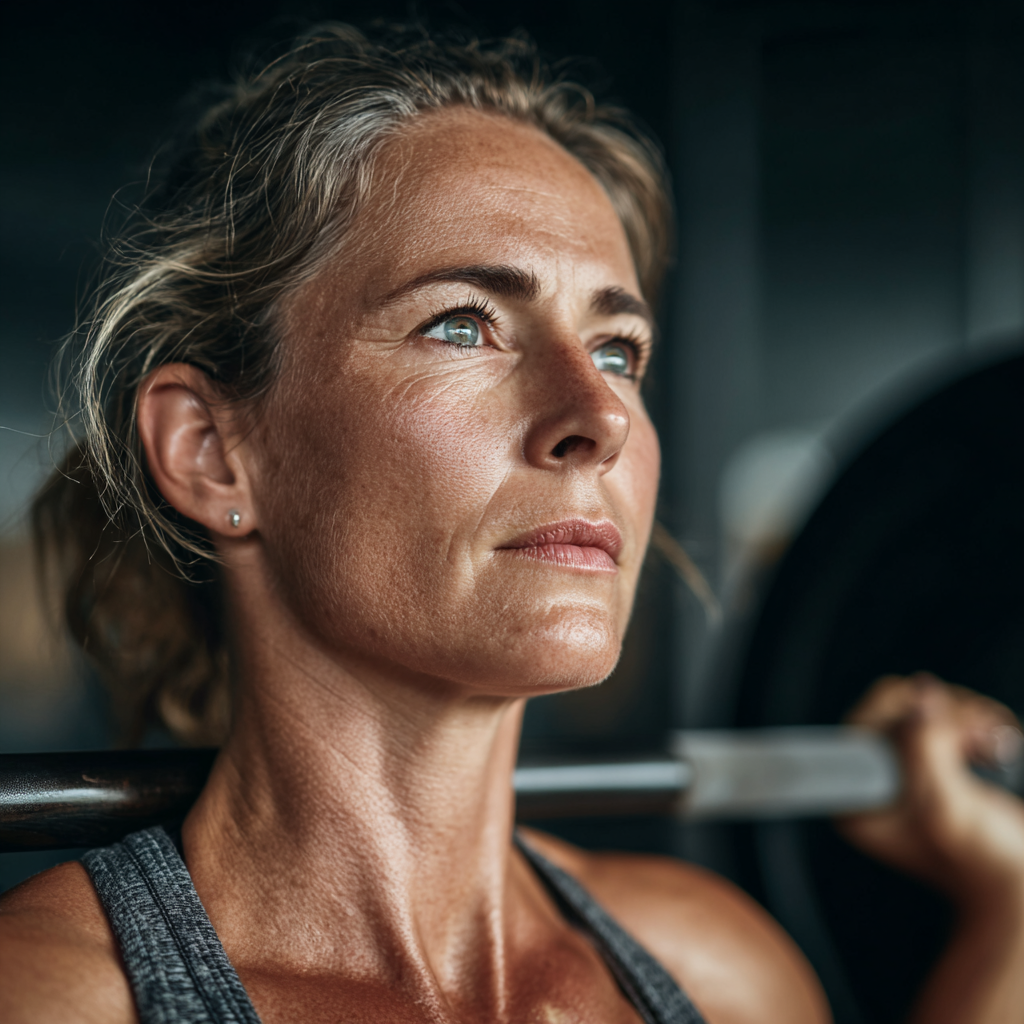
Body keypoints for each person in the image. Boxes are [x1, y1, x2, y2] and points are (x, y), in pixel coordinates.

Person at [1, 24, 1022, 1024]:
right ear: (214, 451)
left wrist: (1009, 907)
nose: (599, 416)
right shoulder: (50, 997)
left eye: (618, 349)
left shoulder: (717, 971)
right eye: (462, 325)